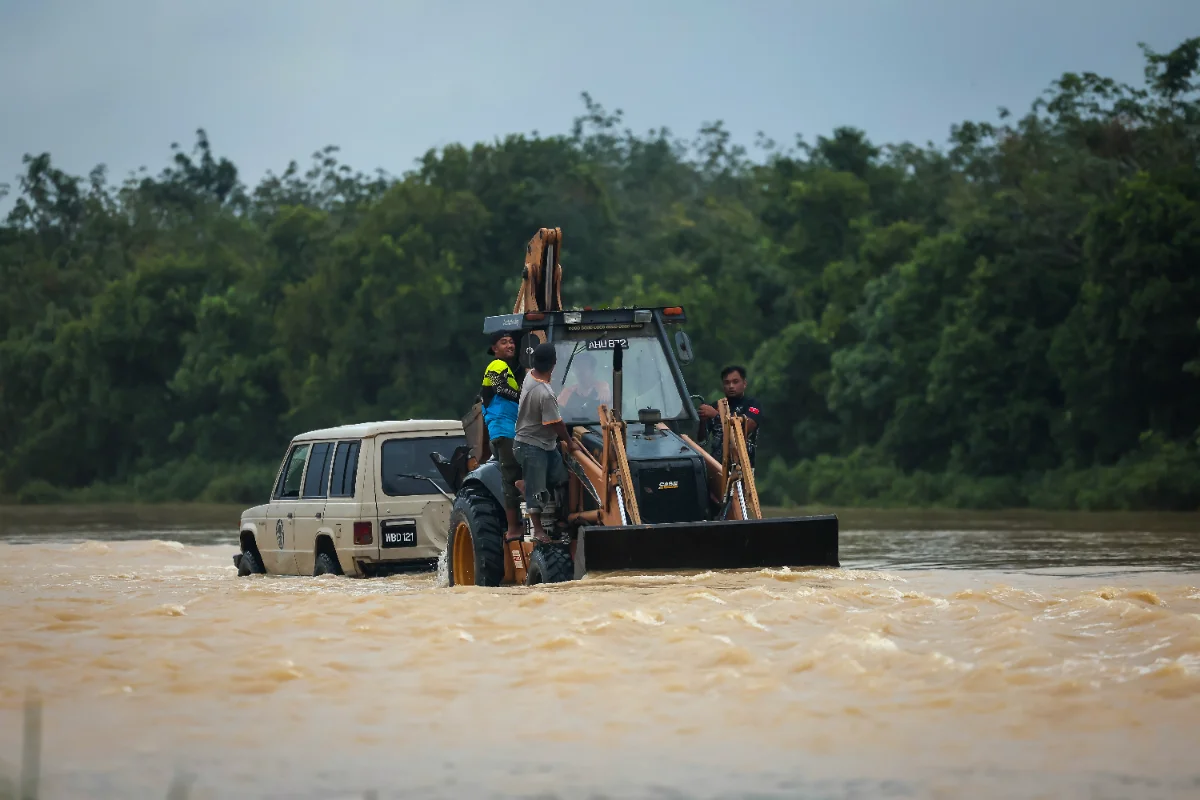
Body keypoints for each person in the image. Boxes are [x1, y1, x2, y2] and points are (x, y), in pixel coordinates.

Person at [514, 342, 583, 543]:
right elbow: (557, 424)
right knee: (538, 490)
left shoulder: (530, 375)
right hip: (530, 445)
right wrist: (570, 444)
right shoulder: (545, 393)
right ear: (553, 364)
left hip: (545, 444)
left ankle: (525, 484)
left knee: (561, 477)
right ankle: (538, 530)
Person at [480, 331, 525, 542]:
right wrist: (525, 397)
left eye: (511, 342)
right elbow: (500, 389)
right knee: (511, 477)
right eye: (503, 342)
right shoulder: (497, 366)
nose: (509, 345)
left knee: (514, 475)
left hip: (505, 430)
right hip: (504, 430)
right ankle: (514, 527)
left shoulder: (509, 370)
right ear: (494, 349)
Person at [696, 365, 763, 468]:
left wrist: (716, 416)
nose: (731, 386)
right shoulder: (716, 406)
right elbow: (701, 439)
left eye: (735, 382)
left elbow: (748, 426)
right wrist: (703, 421)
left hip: (742, 468)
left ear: (744, 384)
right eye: (727, 383)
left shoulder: (752, 404)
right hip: (717, 466)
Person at [556, 352, 611, 418]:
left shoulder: (603, 389)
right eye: (577, 367)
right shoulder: (567, 392)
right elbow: (555, 412)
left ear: (592, 370)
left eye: (584, 366)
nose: (580, 371)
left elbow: (612, 417)